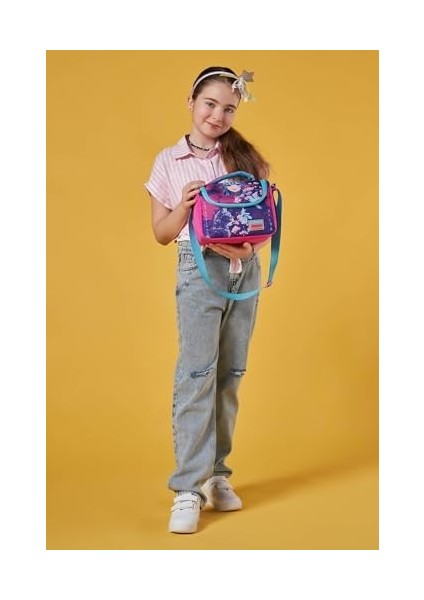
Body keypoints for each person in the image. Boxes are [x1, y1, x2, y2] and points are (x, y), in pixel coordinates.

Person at [145, 66, 270, 534]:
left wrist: (248, 250)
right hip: (198, 272)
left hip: (244, 270)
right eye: (210, 104)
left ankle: (218, 474)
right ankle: (188, 488)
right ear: (191, 102)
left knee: (230, 373)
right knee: (197, 374)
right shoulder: (168, 161)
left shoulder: (244, 156)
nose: (218, 115)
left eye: (229, 108)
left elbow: (262, 220)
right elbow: (161, 234)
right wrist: (183, 205)